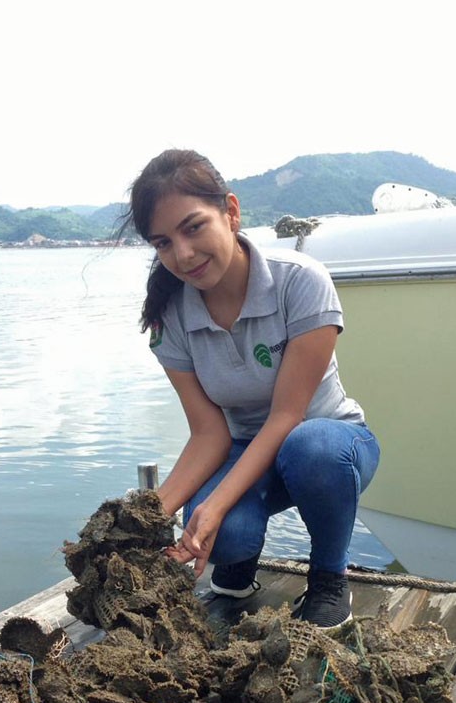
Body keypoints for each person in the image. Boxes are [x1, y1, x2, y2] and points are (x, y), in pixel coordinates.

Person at [125, 149, 380, 628]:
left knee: (313, 448)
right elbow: (209, 434)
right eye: (162, 243)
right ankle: (238, 559)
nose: (182, 255)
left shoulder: (300, 283)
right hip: (244, 449)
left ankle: (329, 576)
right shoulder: (170, 319)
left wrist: (215, 504)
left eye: (193, 227)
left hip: (327, 443)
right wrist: (149, 518)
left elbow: (288, 416)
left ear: (231, 212)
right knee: (215, 532)